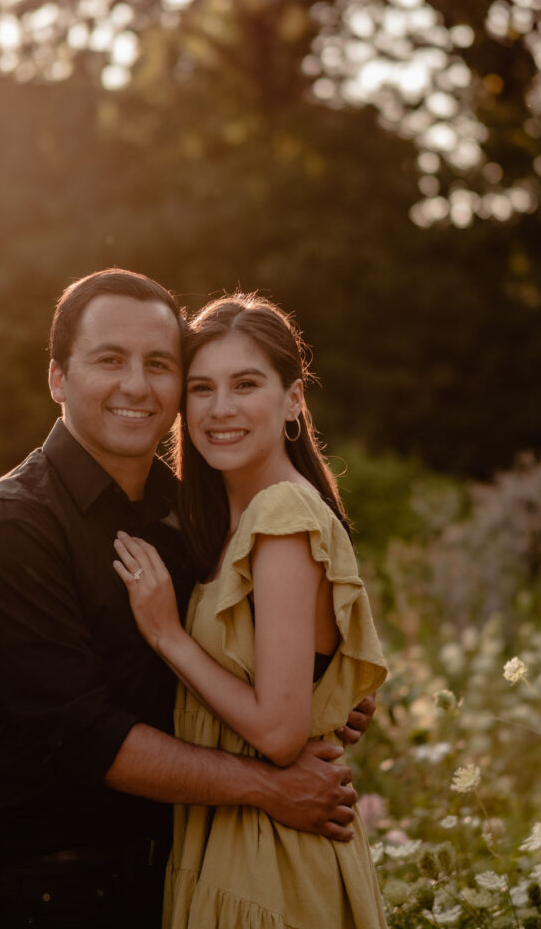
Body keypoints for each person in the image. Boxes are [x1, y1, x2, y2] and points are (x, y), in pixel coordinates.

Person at [0, 269, 377, 929]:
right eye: (109, 361)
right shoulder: (14, 529)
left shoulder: (186, 515)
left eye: (159, 365)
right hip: (56, 892)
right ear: (58, 379)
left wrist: (322, 691)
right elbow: (84, 735)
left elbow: (254, 663)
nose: (137, 386)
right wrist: (271, 787)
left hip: (182, 873)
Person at [113, 293, 389, 929]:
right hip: (234, 842)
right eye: (202, 388)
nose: (221, 409)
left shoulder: (281, 516)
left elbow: (279, 732)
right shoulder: (227, 520)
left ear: (293, 399)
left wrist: (167, 635)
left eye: (246, 384)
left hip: (274, 862)